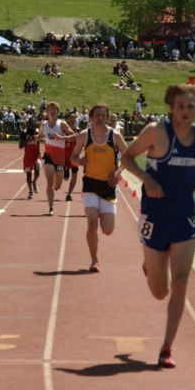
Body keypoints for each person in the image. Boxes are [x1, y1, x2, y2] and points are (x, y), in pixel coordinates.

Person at [120, 83, 195, 368]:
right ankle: (149, 266)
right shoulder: (156, 131)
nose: (186, 112)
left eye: (191, 107)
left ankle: (166, 348)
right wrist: (146, 178)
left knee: (180, 284)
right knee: (159, 291)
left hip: (184, 217)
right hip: (155, 216)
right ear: (171, 107)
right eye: (180, 106)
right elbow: (126, 157)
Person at [70, 104, 127, 272]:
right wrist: (79, 161)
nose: (100, 118)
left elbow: (127, 155)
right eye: (97, 115)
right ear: (91, 117)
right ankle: (94, 260)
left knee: (108, 230)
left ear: (107, 117)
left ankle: (103, 212)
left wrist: (118, 172)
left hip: (108, 185)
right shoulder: (83, 136)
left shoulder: (114, 136)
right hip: (90, 184)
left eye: (103, 115)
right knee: (92, 224)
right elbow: (73, 156)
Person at [39, 102, 76, 216]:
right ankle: (51, 208)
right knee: (49, 182)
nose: (52, 111)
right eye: (50, 109)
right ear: (47, 112)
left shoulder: (62, 124)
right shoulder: (44, 125)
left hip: (60, 158)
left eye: (54, 109)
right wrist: (34, 138)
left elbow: (74, 136)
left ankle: (56, 186)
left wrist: (62, 138)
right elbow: (40, 136)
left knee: (58, 185)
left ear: (58, 112)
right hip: (48, 156)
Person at [19, 118, 41, 199]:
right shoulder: (24, 133)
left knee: (38, 171)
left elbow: (43, 139)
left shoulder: (38, 131)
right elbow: (20, 146)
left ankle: (34, 182)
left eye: (34, 122)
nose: (32, 124)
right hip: (28, 157)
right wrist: (27, 140)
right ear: (28, 124)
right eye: (31, 122)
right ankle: (30, 191)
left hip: (36, 155)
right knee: (28, 175)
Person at [63, 111, 80, 202]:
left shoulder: (78, 130)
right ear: (68, 119)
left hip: (74, 158)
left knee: (74, 177)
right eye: (71, 118)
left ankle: (69, 194)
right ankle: (56, 183)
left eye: (74, 118)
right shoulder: (64, 130)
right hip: (64, 158)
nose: (73, 119)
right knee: (64, 178)